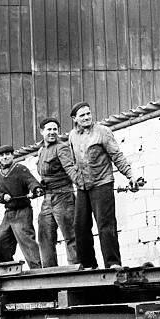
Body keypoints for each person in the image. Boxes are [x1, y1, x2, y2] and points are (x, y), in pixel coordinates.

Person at [64, 101, 139, 269]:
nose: (86, 117)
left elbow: (117, 155)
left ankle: (113, 263)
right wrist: (76, 178)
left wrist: (130, 176)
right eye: (82, 115)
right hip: (83, 187)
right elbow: (73, 162)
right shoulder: (72, 136)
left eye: (88, 114)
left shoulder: (103, 132)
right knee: (80, 227)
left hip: (102, 184)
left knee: (105, 225)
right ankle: (89, 265)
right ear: (75, 119)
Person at [36, 117, 78, 267]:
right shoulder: (41, 151)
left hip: (64, 196)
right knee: (44, 237)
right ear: (42, 131)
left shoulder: (62, 147)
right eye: (49, 129)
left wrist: (80, 184)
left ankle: (75, 272)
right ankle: (49, 274)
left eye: (55, 129)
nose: (52, 132)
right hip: (47, 199)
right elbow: (44, 175)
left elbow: (70, 168)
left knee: (70, 236)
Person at [0, 145, 43, 269]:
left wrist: (36, 189)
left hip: (23, 211)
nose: (5, 157)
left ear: (13, 155)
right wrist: (2, 196)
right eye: (2, 156)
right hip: (9, 213)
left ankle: (37, 270)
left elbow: (31, 182)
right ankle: (8, 268)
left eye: (8, 154)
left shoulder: (20, 168)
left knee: (26, 241)